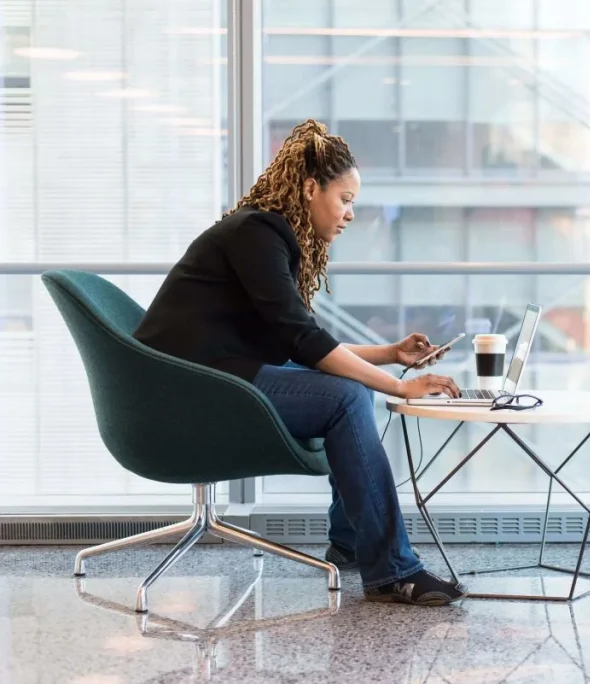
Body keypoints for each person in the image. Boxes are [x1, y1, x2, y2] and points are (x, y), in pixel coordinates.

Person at [133, 119, 467, 607]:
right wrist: (399, 386)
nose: (351, 213)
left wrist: (391, 355)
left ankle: (353, 544)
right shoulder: (258, 233)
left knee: (352, 387)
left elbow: (300, 341)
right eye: (345, 199)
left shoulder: (263, 234)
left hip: (208, 377)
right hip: (188, 389)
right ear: (311, 188)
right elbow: (304, 341)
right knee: (349, 394)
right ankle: (392, 570)